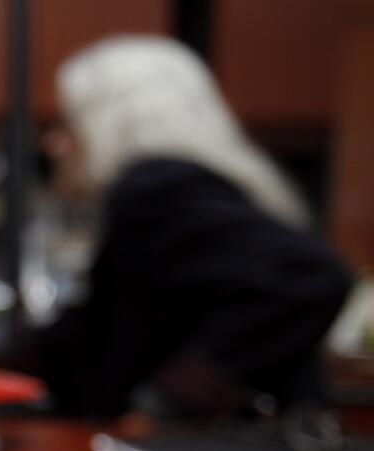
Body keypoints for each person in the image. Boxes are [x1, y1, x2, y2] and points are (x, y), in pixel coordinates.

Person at [28, 36, 352, 419]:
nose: (53, 144)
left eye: (66, 123)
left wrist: (168, 401)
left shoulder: (156, 187)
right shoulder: (198, 187)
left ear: (108, 123)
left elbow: (311, 275)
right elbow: (105, 328)